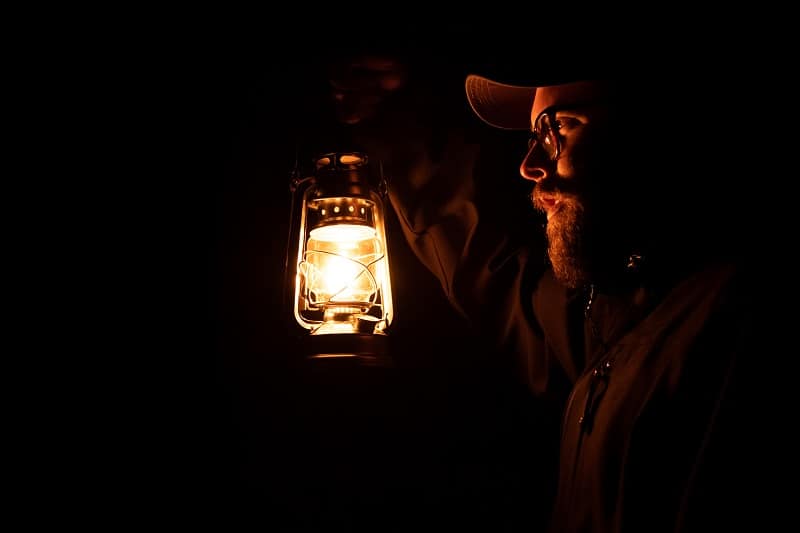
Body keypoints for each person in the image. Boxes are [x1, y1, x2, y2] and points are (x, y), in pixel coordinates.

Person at [321, 47, 762, 532]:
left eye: (557, 129)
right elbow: (494, 277)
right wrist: (398, 131)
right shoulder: (618, 327)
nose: (530, 166)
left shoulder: (727, 322)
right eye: (534, 137)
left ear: (650, 126)